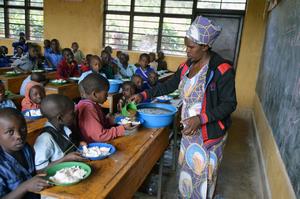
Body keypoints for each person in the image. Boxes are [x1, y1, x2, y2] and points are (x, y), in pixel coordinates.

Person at [130, 16, 237, 198]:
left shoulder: (221, 70)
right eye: (185, 45)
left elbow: (229, 104)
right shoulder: (187, 65)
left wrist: (200, 119)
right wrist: (143, 94)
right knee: (187, 178)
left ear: (205, 46)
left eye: (191, 47)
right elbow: (169, 85)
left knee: (204, 181)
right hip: (189, 134)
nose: (186, 50)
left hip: (207, 135)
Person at [0, 108, 50, 198]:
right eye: (10, 132)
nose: (19, 136)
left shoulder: (25, 148)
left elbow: (36, 174)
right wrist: (25, 187)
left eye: (22, 128)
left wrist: (64, 161)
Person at [34, 94, 86, 170]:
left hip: (75, 169)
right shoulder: (45, 139)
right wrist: (65, 159)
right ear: (60, 118)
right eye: (72, 113)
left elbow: (70, 147)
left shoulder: (65, 127)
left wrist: (79, 145)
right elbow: (40, 170)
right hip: (59, 176)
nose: (75, 114)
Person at [77, 73, 132, 143]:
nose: (107, 96)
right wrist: (122, 128)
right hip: (94, 145)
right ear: (95, 94)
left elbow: (99, 124)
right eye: (106, 93)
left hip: (98, 140)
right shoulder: (88, 108)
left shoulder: (93, 104)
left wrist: (110, 120)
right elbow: (100, 135)